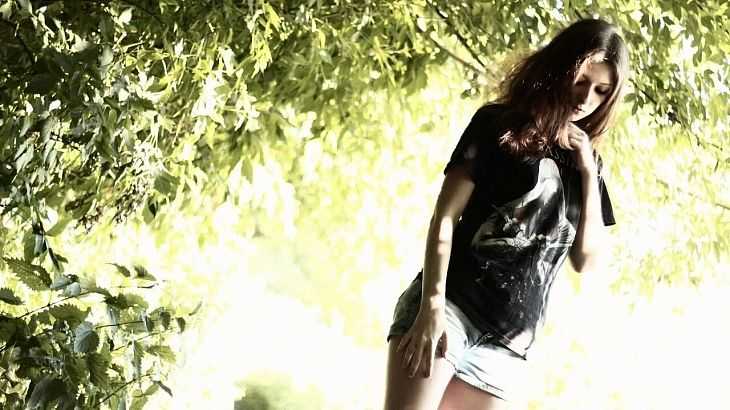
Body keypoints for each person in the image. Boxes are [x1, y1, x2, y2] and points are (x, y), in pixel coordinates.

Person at [383, 18, 630, 410]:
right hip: (450, 308)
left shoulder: (587, 165)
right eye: (581, 81)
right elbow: (444, 218)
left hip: (507, 345)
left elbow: (586, 260)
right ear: (561, 69)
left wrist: (587, 170)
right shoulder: (497, 125)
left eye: (601, 91)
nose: (586, 98)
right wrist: (431, 305)